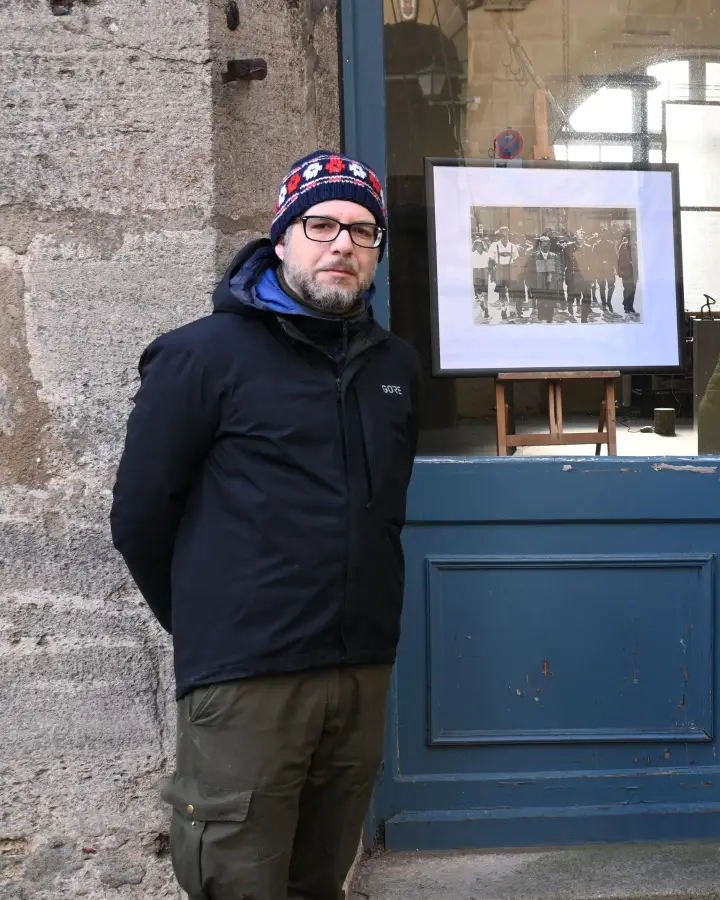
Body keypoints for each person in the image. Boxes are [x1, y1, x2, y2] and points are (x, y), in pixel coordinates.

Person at [109, 150, 420, 900]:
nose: (341, 244)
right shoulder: (201, 357)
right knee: (238, 880)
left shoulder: (396, 367)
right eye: (320, 225)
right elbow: (140, 518)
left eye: (362, 230)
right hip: (248, 679)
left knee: (321, 879)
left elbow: (386, 513)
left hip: (359, 668)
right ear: (281, 239)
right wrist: (215, 627)